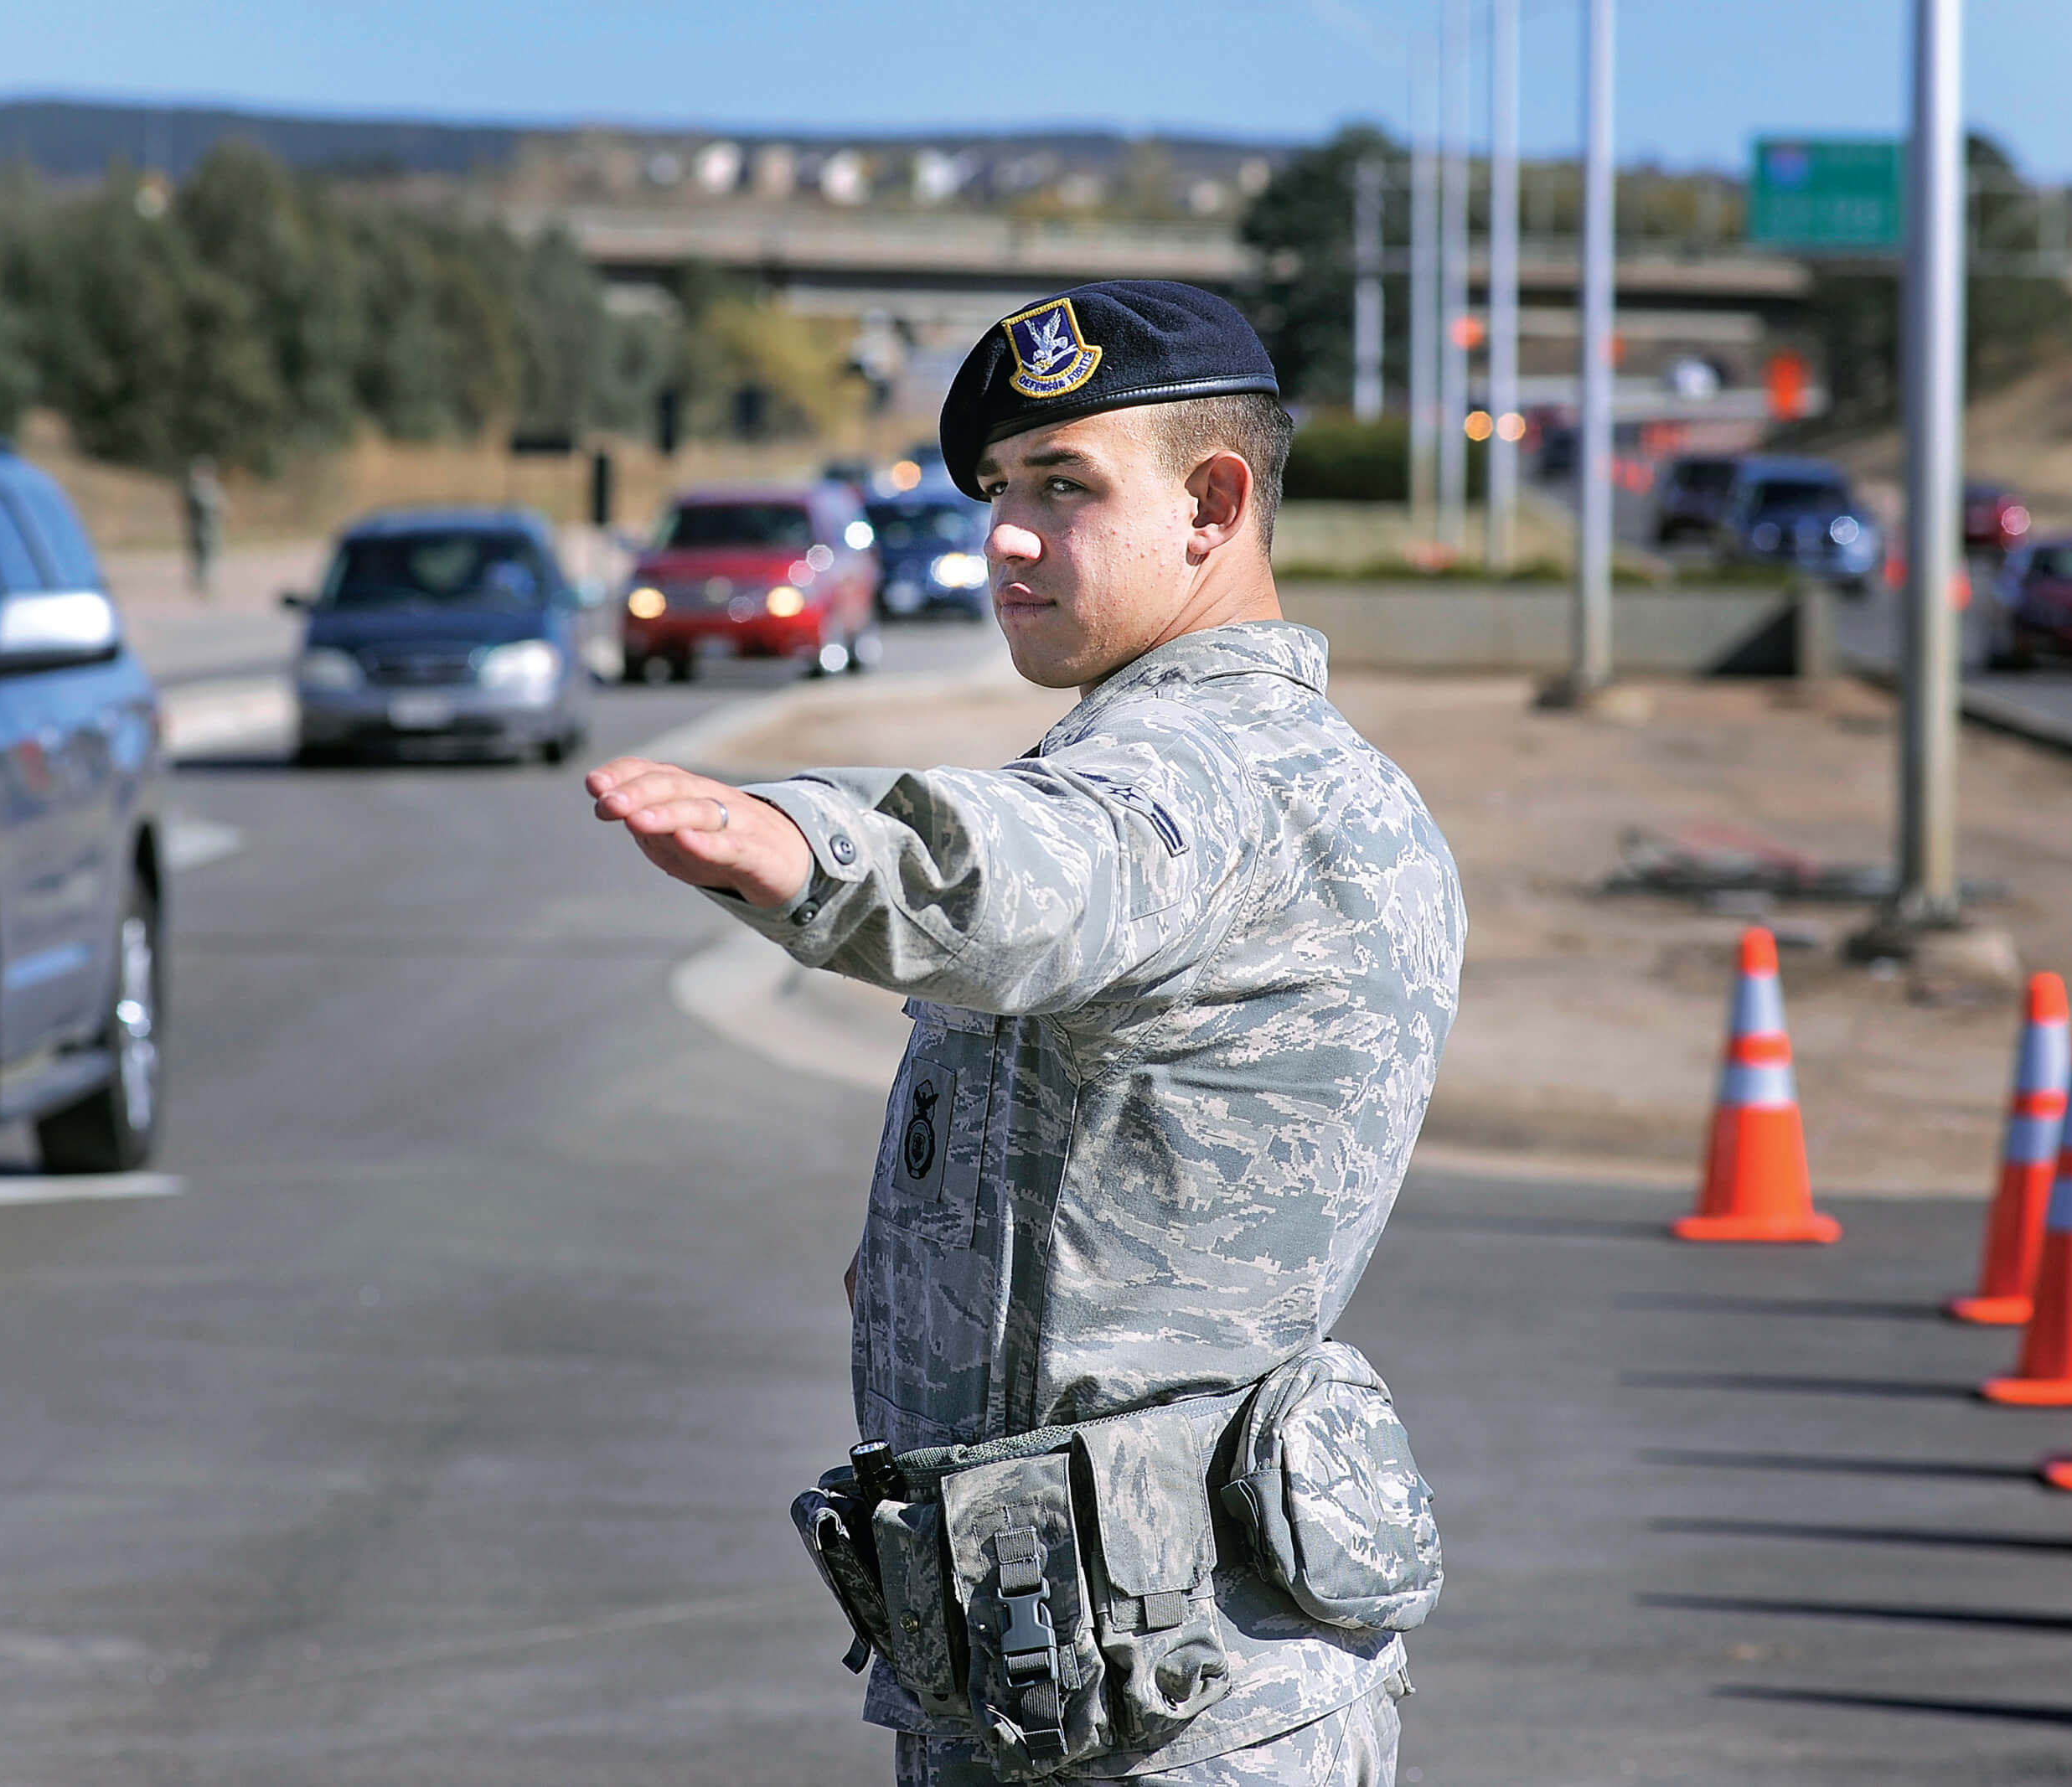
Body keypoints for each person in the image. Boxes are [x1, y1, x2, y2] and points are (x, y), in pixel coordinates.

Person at [588, 281, 1465, 1785]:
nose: (1005, 533)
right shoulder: (1270, 763)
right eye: (1000, 488)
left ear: (1213, 504)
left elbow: (1029, 877)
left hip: (1165, 1709)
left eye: (1064, 487)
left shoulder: (1202, 775)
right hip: (1091, 1673)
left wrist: (808, 847)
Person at [183, 455, 225, 597]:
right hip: (201, 529)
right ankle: (202, 584)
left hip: (210, 528)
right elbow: (210, 506)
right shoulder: (199, 488)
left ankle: (205, 583)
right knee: (201, 556)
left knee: (209, 555)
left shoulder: (209, 487)